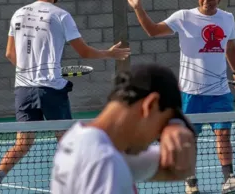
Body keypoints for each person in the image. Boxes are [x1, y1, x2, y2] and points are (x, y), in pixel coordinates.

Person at [0, 0, 131, 194]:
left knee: (23, 142)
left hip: (23, 90)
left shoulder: (18, 14)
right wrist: (109, 54)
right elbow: (84, 52)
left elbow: (10, 54)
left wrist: (30, 71)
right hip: (50, 90)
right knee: (67, 140)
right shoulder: (61, 16)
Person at [124, 0, 235, 194]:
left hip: (219, 93)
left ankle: (228, 178)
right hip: (190, 94)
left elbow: (230, 46)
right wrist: (138, 8)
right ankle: (191, 181)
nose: (206, 1)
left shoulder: (227, 19)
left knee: (223, 134)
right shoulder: (183, 17)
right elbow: (153, 31)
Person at [50, 63, 197, 194]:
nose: (157, 138)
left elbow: (179, 168)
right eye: (162, 127)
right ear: (150, 105)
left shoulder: (78, 139)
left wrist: (176, 124)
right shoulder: (104, 161)